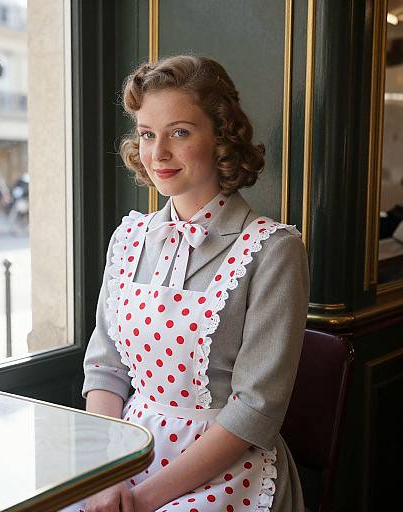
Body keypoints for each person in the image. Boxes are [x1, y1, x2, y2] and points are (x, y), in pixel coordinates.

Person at [66, 55, 309, 512]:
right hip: (124, 454)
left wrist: (141, 500)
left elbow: (254, 409)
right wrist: (108, 474)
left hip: (227, 470)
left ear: (222, 136)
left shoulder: (274, 250)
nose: (157, 154)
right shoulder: (129, 239)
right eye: (146, 134)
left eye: (179, 132)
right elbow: (106, 370)